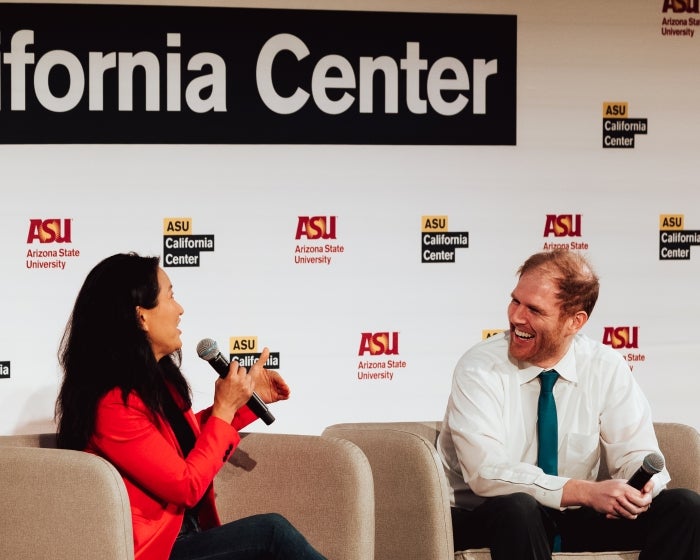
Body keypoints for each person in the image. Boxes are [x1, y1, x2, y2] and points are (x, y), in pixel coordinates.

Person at [55, 252, 328, 560]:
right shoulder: (112, 406)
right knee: (271, 533)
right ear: (141, 316)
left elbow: (185, 439)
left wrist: (247, 400)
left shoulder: (159, 383)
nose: (180, 309)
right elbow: (186, 485)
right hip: (156, 551)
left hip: (189, 539)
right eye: (170, 296)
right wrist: (223, 410)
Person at [437, 249, 700, 559]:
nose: (516, 316)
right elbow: (486, 471)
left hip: (569, 518)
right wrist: (586, 491)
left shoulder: (605, 366)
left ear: (575, 321)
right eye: (515, 301)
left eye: (534, 309)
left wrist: (640, 489)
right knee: (519, 507)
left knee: (685, 506)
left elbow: (635, 451)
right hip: (485, 515)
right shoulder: (479, 367)